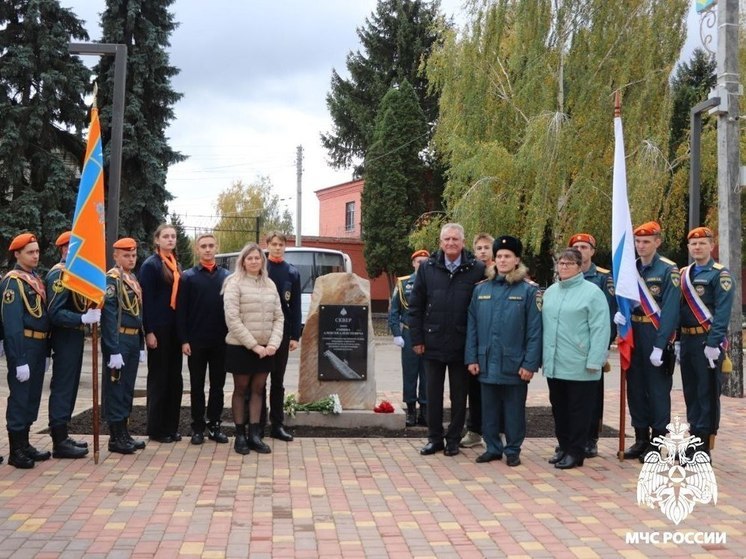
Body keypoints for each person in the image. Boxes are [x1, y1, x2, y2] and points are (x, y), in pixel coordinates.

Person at [408, 223, 485, 457]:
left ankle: (453, 439)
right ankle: (434, 438)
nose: (451, 243)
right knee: (432, 394)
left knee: (459, 396)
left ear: (463, 242)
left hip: (462, 344)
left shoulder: (477, 268)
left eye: (455, 239)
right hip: (432, 342)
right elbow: (416, 306)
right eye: (446, 239)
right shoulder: (427, 268)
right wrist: (417, 338)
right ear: (440, 242)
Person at [465, 236, 541, 467]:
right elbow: (473, 326)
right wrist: (472, 358)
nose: (503, 260)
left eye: (507, 256)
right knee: (489, 410)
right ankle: (493, 448)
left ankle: (513, 449)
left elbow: (535, 331)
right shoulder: (481, 290)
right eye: (499, 256)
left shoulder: (529, 291)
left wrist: (529, 364)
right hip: (486, 361)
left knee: (514, 410)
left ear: (517, 259)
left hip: (515, 364)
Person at [615, 221, 680, 462]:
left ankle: (659, 441)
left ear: (657, 242)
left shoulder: (668, 270)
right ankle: (641, 437)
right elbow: (625, 299)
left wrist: (661, 344)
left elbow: (671, 311)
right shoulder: (630, 269)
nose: (641, 246)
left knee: (657, 390)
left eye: (646, 241)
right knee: (635, 387)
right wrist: (620, 317)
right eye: (638, 241)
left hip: (655, 334)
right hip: (634, 333)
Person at [543, 248, 610, 469]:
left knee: (578, 411)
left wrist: (595, 360)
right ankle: (563, 447)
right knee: (559, 409)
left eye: (569, 263)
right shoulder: (551, 292)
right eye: (560, 263)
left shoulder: (592, 292)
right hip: (555, 363)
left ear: (580, 266)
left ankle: (576, 451)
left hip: (580, 364)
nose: (563, 267)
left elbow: (601, 329)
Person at [222, 243, 284, 455]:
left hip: (266, 349)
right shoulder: (234, 283)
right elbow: (232, 318)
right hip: (241, 346)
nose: (254, 261)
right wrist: (254, 345)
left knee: (258, 389)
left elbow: (279, 316)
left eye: (257, 258)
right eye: (250, 258)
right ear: (243, 261)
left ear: (262, 261)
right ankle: (240, 435)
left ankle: (254, 434)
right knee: (241, 390)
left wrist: (273, 343)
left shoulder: (270, 285)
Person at [679, 226, 734, 458]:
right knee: (690, 392)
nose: (697, 247)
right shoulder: (684, 274)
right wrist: (678, 339)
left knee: (707, 392)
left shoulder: (720, 275)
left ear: (711, 246)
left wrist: (713, 343)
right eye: (693, 244)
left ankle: (704, 445)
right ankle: (694, 436)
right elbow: (678, 309)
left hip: (707, 343)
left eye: (702, 243)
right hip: (687, 340)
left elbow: (722, 313)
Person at [45, 230, 100, 459]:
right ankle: (59, 440)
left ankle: (64, 435)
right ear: (64, 250)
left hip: (75, 337)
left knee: (71, 386)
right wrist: (81, 318)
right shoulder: (59, 275)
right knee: (63, 386)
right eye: (73, 248)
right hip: (64, 337)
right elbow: (54, 312)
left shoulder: (75, 274)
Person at [1, 233, 52, 468]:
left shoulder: (34, 279)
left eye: (37, 251)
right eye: (30, 252)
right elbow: (12, 326)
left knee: (32, 398)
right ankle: (15, 450)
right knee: (20, 397)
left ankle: (25, 443)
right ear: (17, 254)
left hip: (39, 346)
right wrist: (19, 359)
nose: (35, 256)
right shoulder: (13, 283)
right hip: (24, 347)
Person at [176, 233, 230, 445]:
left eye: (211, 246)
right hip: (196, 341)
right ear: (197, 250)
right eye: (203, 246)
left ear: (217, 247)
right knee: (197, 386)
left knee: (218, 386)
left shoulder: (227, 276)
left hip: (221, 341)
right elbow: (181, 311)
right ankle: (197, 427)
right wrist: (184, 339)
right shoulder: (188, 277)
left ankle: (215, 425)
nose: (207, 249)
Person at [568, 233, 616, 458]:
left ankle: (590, 438)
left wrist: (603, 347)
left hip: (593, 347)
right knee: (569, 396)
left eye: (584, 246)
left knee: (593, 396)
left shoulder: (604, 278)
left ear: (593, 251)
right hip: (570, 348)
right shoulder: (565, 276)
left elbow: (611, 315)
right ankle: (570, 438)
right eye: (575, 246)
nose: (580, 249)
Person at [138, 223, 184, 443]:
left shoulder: (175, 264)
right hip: (159, 329)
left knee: (175, 379)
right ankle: (156, 429)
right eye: (165, 236)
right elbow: (145, 302)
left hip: (175, 329)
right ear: (157, 240)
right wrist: (149, 331)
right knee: (159, 379)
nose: (170, 240)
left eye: (173, 236)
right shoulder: (151, 265)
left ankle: (171, 426)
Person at [101, 237, 147, 454]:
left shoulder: (132, 278)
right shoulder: (112, 280)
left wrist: (140, 344)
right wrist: (113, 349)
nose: (131, 259)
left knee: (127, 388)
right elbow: (109, 316)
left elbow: (137, 315)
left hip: (131, 339)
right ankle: (115, 437)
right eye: (126, 255)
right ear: (116, 256)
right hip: (118, 340)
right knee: (116, 388)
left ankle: (124, 432)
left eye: (133, 255)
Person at [262, 231, 302, 442]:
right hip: (261, 331)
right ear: (267, 245)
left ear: (285, 246)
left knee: (278, 380)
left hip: (283, 333)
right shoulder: (260, 268)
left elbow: (294, 307)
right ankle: (257, 424)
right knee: (258, 381)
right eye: (273, 244)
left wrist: (295, 335)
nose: (277, 247)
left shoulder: (292, 272)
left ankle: (277, 425)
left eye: (281, 244)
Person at [388, 249, 429, 427]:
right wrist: (397, 333)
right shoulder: (403, 283)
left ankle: (425, 412)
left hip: (429, 334)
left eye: (425, 262)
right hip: (410, 333)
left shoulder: (434, 282)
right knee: (410, 373)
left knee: (427, 375)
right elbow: (394, 310)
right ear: (413, 263)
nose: (422, 265)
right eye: (419, 261)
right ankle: (411, 411)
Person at [461, 233, 494, 448]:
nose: (482, 251)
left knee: (496, 389)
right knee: (474, 388)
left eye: (486, 247)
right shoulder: (470, 272)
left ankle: (497, 431)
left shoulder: (501, 272)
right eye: (479, 248)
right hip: (474, 337)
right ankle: (474, 430)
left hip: (496, 339)